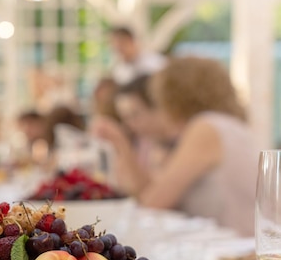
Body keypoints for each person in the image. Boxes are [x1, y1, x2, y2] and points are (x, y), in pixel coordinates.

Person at [93, 56, 257, 236]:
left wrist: (121, 143)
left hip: (236, 250)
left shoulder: (205, 128)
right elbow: (150, 193)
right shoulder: (227, 126)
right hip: (236, 246)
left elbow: (152, 203)